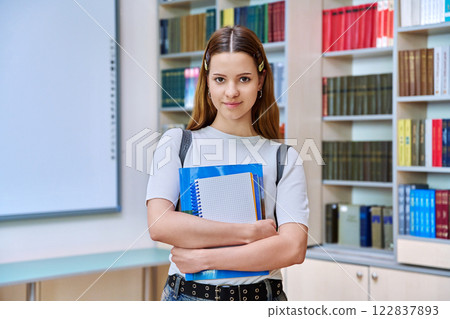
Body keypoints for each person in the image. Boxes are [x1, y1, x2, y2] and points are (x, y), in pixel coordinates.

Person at [146, 25, 309, 301]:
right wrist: (248, 233)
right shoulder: (178, 143)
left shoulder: (284, 157)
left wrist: (206, 259)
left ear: (261, 81)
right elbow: (161, 225)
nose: (231, 92)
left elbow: (292, 248)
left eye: (243, 79)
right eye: (220, 79)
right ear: (207, 82)